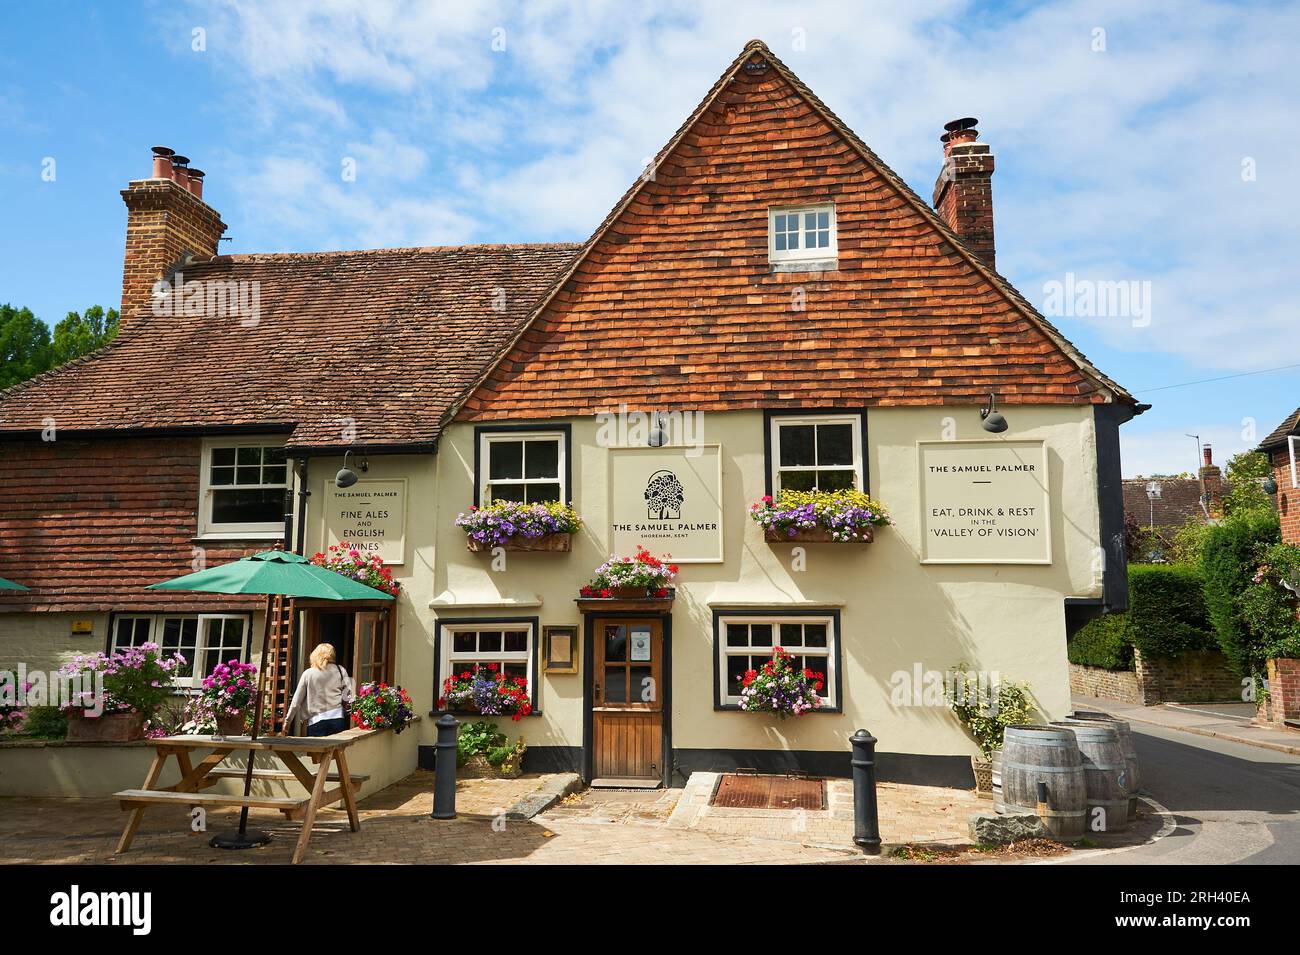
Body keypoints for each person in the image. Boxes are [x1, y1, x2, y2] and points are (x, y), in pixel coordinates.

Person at [282, 643, 353, 737]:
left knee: (316, 751)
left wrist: (288, 721)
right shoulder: (340, 670)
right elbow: (348, 695)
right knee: (337, 751)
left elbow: (296, 701)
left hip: (316, 721)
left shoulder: (308, 673)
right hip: (337, 719)